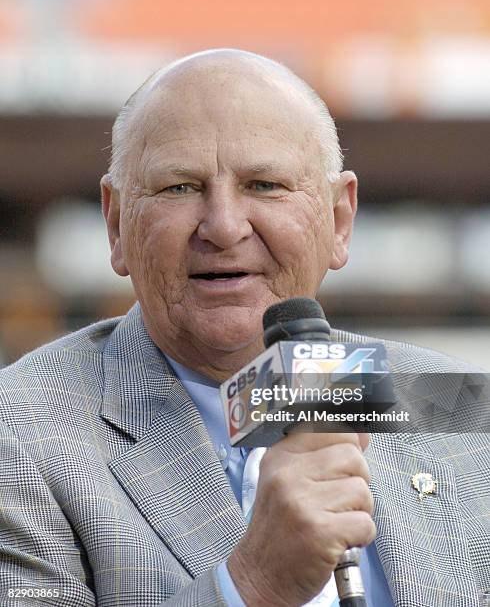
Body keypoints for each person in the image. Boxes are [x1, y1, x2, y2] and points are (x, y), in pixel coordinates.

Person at [0, 49, 488, 607]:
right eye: (179, 188)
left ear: (339, 220)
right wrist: (253, 585)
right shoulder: (23, 434)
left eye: (265, 185)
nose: (225, 227)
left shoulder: (459, 408)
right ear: (116, 225)